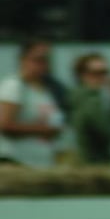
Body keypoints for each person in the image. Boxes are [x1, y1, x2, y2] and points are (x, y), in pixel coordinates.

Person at [0, 38, 64, 168]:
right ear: (23, 60)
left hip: (40, 162)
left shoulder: (45, 89)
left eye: (47, 60)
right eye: (38, 59)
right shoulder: (14, 86)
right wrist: (44, 130)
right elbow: (5, 125)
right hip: (16, 160)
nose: (43, 64)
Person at [69, 52, 110, 164]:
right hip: (94, 164)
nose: (102, 77)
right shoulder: (90, 99)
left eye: (105, 72)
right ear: (82, 75)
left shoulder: (82, 96)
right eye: (96, 73)